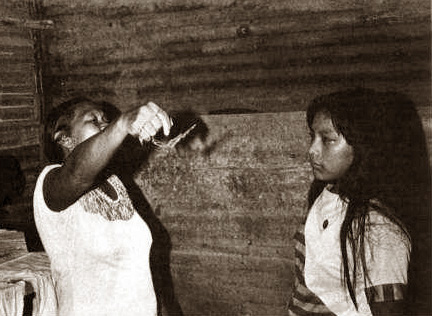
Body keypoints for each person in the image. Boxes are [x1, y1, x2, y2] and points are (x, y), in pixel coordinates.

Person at [287, 88, 431, 316]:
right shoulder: (325, 195)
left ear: (365, 146)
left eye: (327, 140)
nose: (312, 151)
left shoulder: (379, 228)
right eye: (312, 137)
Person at [33, 97, 173, 316]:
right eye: (93, 120)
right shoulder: (51, 184)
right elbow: (77, 172)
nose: (105, 125)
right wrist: (123, 123)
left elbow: (144, 272)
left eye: (107, 120)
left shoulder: (115, 184)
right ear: (65, 139)